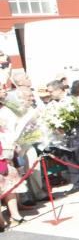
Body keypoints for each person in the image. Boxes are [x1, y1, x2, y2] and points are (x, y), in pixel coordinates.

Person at [0, 87, 27, 230]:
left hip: (5, 149)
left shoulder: (6, 108)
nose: (3, 91)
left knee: (9, 184)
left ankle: (15, 214)